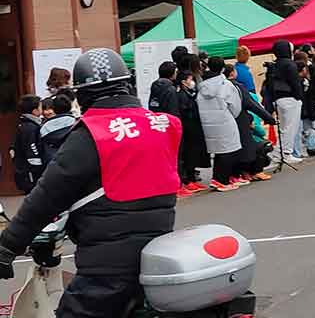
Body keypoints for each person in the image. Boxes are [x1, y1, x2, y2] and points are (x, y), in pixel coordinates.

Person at [0, 48, 181, 317]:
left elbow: (46, 197)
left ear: (82, 95)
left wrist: (8, 246)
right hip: (160, 252)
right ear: (128, 84)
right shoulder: (166, 125)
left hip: (108, 267)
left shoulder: (89, 135)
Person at [196, 56, 242, 191]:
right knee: (228, 150)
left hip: (208, 123)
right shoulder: (225, 84)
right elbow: (235, 105)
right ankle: (222, 180)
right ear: (222, 68)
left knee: (218, 151)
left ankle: (217, 179)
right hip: (224, 119)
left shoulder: (202, 85)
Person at [224, 65, 274, 183]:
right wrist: (269, 118)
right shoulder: (240, 89)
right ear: (232, 73)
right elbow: (253, 107)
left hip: (228, 124)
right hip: (243, 124)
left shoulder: (222, 88)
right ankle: (256, 171)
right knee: (256, 146)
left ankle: (240, 173)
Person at [175, 70, 209, 196]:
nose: (192, 82)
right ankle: (187, 180)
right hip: (188, 129)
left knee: (193, 155)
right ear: (184, 82)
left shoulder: (190, 93)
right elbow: (185, 112)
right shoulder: (181, 95)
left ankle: (191, 178)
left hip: (193, 128)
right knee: (188, 155)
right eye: (190, 79)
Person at [270, 40, 304, 162]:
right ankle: (285, 152)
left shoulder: (274, 65)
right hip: (291, 98)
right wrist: (299, 97)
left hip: (279, 99)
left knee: (284, 127)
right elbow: (295, 83)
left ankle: (278, 152)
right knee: (290, 127)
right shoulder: (290, 64)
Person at [11, 94, 44, 194]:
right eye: (41, 107)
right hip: (31, 174)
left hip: (28, 173)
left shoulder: (27, 125)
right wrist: (39, 170)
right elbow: (32, 149)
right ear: (35, 111)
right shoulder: (29, 127)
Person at [38, 94, 76, 169]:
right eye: (44, 109)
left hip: (53, 164)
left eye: (50, 109)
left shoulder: (43, 128)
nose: (47, 112)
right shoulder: (74, 121)